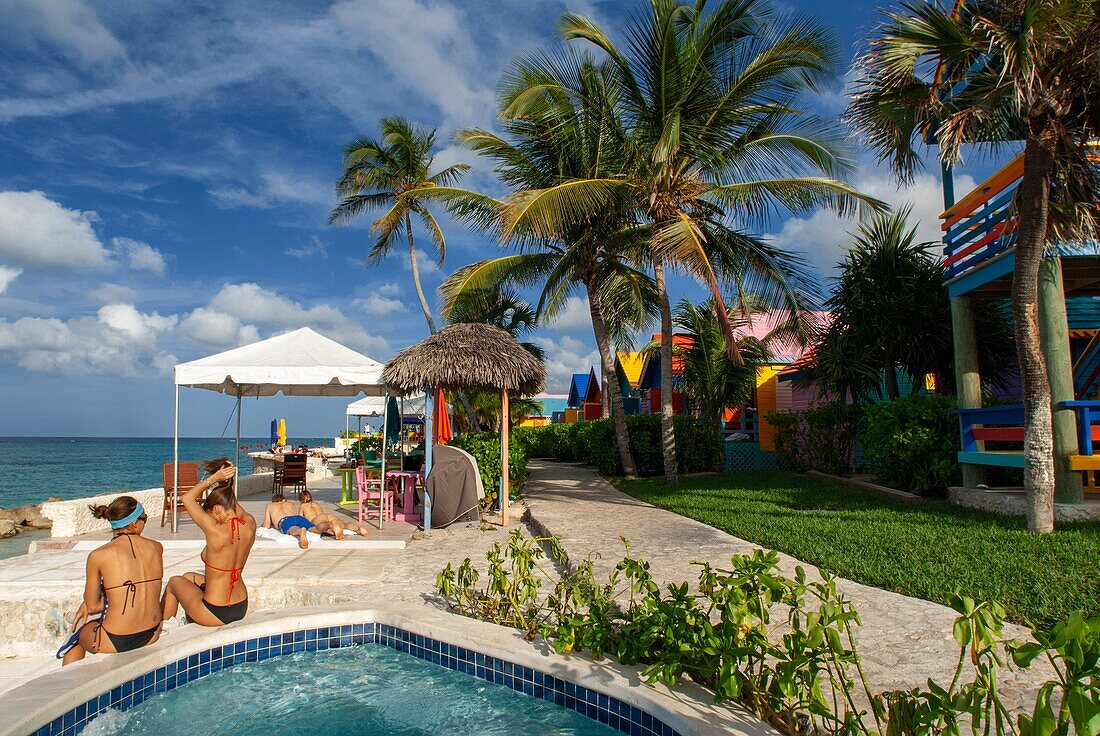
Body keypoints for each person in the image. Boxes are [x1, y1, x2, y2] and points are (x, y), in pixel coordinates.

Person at [59, 496, 163, 665]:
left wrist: (87, 604)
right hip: (151, 634)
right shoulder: (157, 547)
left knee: (76, 634)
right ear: (134, 523)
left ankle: (70, 687)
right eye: (144, 518)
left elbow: (92, 605)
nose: (145, 523)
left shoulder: (98, 555)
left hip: (116, 639)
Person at [161, 458, 256, 627]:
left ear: (216, 510)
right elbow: (232, 502)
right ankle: (191, 621)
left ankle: (165, 630)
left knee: (174, 582)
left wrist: (213, 479)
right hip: (241, 605)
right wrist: (226, 483)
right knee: (188, 578)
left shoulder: (215, 529)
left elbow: (187, 498)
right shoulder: (250, 525)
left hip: (215, 610)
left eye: (210, 514)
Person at [261, 492, 332, 548]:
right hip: (297, 517)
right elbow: (295, 516)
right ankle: (330, 525)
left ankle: (300, 531)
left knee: (292, 529)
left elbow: (266, 526)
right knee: (315, 528)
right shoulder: (290, 504)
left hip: (285, 520)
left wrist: (273, 523)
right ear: (284, 500)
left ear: (273, 501)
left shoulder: (270, 506)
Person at [297, 490, 371, 540]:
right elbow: (323, 515)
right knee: (344, 525)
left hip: (317, 519)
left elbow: (300, 518)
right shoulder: (316, 504)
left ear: (301, 500)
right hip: (327, 515)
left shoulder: (303, 506)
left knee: (326, 525)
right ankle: (358, 528)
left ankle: (333, 526)